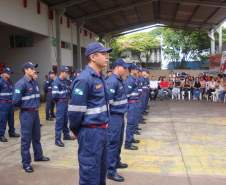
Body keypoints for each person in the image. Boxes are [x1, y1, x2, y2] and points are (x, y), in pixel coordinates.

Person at [68, 42, 112, 185]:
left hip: (102, 131)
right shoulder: (84, 79)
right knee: (90, 173)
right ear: (93, 57)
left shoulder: (99, 77)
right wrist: (75, 130)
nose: (107, 57)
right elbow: (75, 112)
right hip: (90, 133)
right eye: (104, 54)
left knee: (101, 171)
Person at [13, 62, 49, 173]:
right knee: (26, 140)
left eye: (34, 68)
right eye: (32, 68)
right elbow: (15, 101)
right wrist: (26, 107)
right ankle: (26, 163)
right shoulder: (21, 83)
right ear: (26, 70)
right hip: (26, 114)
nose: (34, 70)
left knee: (36, 137)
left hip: (35, 113)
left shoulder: (34, 82)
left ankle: (38, 156)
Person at [105, 58, 129, 182]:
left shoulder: (120, 80)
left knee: (119, 142)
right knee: (113, 143)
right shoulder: (112, 81)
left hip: (120, 116)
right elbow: (108, 103)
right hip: (114, 117)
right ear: (117, 67)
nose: (126, 70)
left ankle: (116, 161)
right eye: (124, 68)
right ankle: (110, 170)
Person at [52, 66, 72, 147]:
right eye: (66, 73)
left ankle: (66, 135)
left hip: (65, 102)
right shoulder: (56, 81)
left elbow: (68, 91)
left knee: (65, 120)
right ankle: (57, 140)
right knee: (59, 121)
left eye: (68, 73)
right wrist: (64, 96)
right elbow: (55, 95)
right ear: (62, 72)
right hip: (60, 103)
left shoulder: (65, 81)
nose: (67, 74)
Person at [0, 67, 20, 142]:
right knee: (3, 120)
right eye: (8, 73)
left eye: (10, 73)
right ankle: (1, 135)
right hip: (3, 104)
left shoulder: (10, 81)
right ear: (4, 73)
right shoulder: (0, 81)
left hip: (10, 103)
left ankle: (12, 132)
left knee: (11, 119)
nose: (9, 75)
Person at [125, 64, 140, 150]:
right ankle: (128, 143)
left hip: (135, 103)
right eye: (136, 69)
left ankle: (131, 138)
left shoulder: (133, 79)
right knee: (130, 123)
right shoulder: (129, 80)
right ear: (132, 70)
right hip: (131, 104)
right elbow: (127, 94)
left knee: (133, 122)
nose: (137, 71)